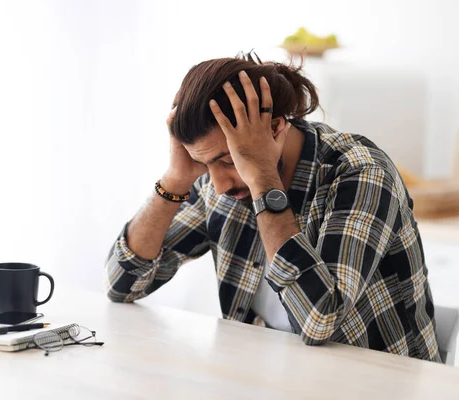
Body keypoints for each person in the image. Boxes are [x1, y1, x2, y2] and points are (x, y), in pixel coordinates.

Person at [104, 53, 441, 362]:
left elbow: (319, 321)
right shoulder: (217, 183)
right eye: (206, 165)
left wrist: (263, 180)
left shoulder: (360, 173)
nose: (218, 185)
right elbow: (122, 284)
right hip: (272, 377)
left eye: (228, 160)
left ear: (277, 126)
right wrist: (175, 181)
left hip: (382, 384)